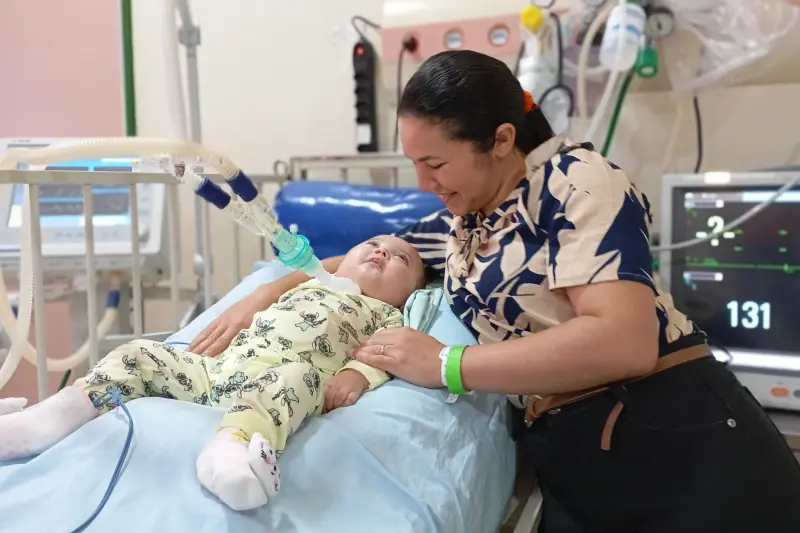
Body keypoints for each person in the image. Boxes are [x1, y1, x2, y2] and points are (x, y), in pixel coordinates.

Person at [188, 50, 800, 532]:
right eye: (414, 166)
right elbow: (355, 259)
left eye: (437, 163)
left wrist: (447, 365)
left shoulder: (575, 182)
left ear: (502, 140)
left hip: (670, 440)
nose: (426, 184)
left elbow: (625, 340)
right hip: (570, 452)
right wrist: (259, 296)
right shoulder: (464, 221)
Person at [0, 235, 426, 512]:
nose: (382, 252)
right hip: (212, 371)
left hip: (274, 382)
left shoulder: (387, 313)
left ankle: (230, 448)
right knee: (141, 353)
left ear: (410, 292)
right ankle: (60, 413)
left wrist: (356, 374)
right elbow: (305, 271)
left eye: (401, 259)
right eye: (373, 244)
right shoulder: (306, 282)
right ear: (341, 259)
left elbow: (385, 353)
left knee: (298, 377)